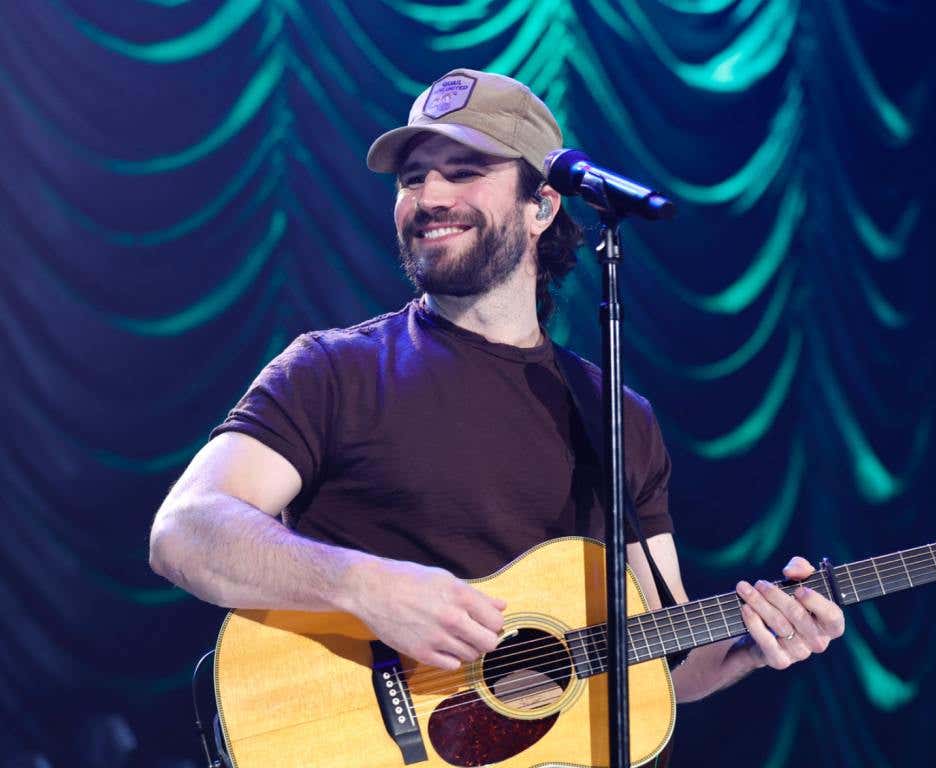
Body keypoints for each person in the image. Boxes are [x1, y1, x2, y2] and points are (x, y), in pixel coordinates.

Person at [149, 68, 843, 710]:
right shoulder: (333, 371)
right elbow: (185, 532)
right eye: (413, 178)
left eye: (465, 171)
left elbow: (666, 655)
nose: (430, 198)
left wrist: (755, 644)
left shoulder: (618, 418)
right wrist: (364, 587)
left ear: (542, 206)